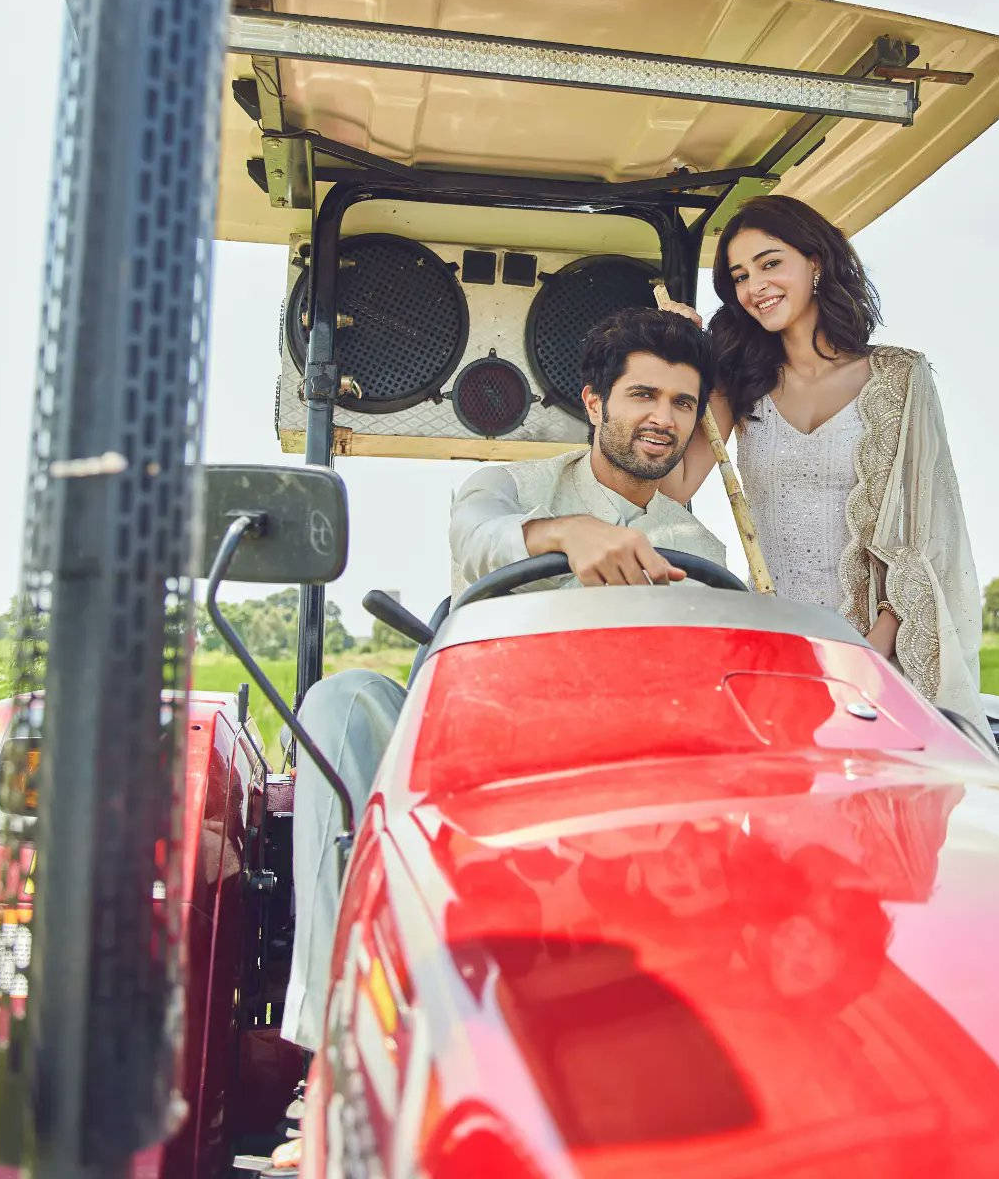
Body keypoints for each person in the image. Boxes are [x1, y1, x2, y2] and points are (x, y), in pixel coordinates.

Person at [280, 308, 726, 1063]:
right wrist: (564, 533)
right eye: (643, 396)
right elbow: (480, 541)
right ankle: (335, 1053)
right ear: (594, 403)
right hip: (474, 744)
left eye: (682, 403)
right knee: (342, 701)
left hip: (617, 769)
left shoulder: (699, 550)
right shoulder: (512, 488)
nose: (663, 418)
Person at [661, 195, 999, 803]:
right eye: (739, 277)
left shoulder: (900, 377)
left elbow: (927, 539)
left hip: (878, 654)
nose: (754, 287)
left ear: (815, 263)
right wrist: (686, 364)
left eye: (770, 264)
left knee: (887, 828)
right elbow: (678, 484)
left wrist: (866, 660)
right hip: (778, 653)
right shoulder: (739, 382)